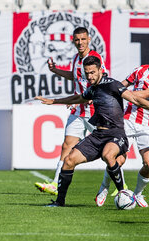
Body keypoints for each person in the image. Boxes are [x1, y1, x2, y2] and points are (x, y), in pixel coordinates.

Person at [35, 56, 149, 207]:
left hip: (116, 133)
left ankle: (123, 193)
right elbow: (79, 98)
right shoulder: (92, 89)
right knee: (68, 160)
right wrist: (54, 101)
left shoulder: (112, 84)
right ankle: (59, 203)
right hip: (98, 135)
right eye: (87, 73)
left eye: (92, 72)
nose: (90, 76)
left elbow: (136, 99)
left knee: (109, 155)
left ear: (100, 70)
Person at [94, 49, 149, 208]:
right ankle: (104, 188)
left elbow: (145, 94)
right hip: (127, 121)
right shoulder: (140, 70)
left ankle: (137, 194)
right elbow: (121, 85)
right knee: (118, 159)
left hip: (147, 125)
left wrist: (123, 93)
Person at [34, 26, 109, 195]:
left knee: (109, 151)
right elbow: (74, 76)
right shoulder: (76, 58)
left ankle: (122, 186)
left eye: (83, 39)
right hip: (78, 109)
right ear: (73, 41)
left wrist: (91, 96)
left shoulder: (95, 58)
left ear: (89, 40)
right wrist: (55, 71)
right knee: (66, 146)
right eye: (77, 40)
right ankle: (55, 184)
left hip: (94, 111)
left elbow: (103, 78)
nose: (80, 42)